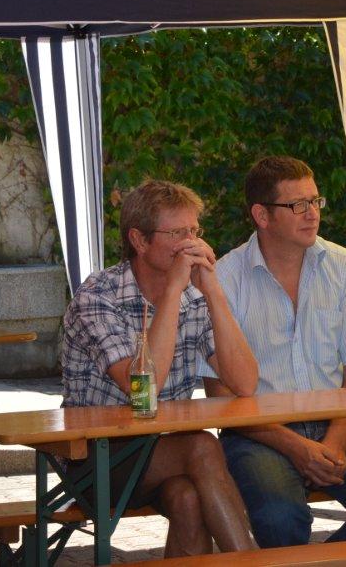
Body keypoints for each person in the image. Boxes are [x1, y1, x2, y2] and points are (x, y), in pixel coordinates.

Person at [202, 156, 346, 548]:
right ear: (262, 215)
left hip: (335, 424)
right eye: (297, 205)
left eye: (315, 201)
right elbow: (219, 395)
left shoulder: (342, 265)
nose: (312, 213)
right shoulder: (224, 279)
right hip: (258, 433)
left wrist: (335, 442)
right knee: (281, 517)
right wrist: (295, 448)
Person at [61, 180, 258, 557]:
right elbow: (143, 390)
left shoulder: (195, 296)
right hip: (95, 456)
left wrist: (214, 292)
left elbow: (245, 382)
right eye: (177, 233)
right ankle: (252, 562)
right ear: (139, 240)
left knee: (188, 498)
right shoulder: (97, 296)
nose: (191, 244)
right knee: (202, 445)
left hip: (166, 451)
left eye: (195, 231)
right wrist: (171, 293)